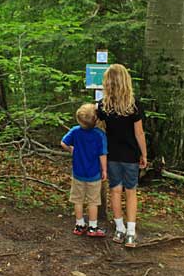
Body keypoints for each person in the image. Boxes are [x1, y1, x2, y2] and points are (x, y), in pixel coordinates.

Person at [96, 64, 147, 248]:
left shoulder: (103, 106)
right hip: (130, 155)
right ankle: (131, 232)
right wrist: (144, 154)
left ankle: (119, 229)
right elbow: (139, 133)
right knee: (131, 192)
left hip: (111, 155)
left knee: (115, 191)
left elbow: (98, 127)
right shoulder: (134, 105)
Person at [61, 103, 108, 237]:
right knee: (93, 201)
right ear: (96, 120)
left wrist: (71, 149)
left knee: (78, 200)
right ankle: (92, 227)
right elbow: (102, 154)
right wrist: (104, 170)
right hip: (94, 174)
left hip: (78, 173)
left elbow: (63, 142)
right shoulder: (100, 135)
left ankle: (79, 224)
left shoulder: (75, 131)